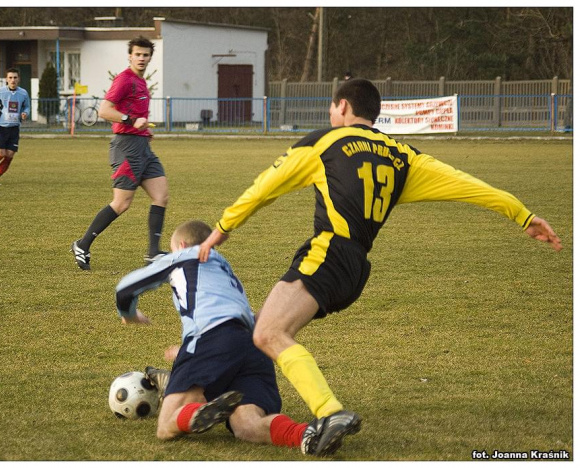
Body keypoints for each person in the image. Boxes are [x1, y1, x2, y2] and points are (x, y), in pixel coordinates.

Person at [196, 78, 563, 446]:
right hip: (355, 269)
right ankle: (217, 379)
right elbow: (465, 183)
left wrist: (222, 228)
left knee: (269, 332)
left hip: (329, 253)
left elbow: (264, 187)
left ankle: (328, 412)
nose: (329, 113)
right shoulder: (403, 154)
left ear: (342, 107)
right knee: (266, 327)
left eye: (331, 107)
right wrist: (522, 215)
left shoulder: (325, 142)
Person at [115, 220, 350, 456]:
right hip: (252, 345)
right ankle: (308, 434)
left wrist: (130, 315)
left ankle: (197, 408)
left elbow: (125, 290)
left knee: (166, 426)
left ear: (182, 245)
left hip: (212, 338)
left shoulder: (183, 256)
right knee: (247, 425)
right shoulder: (224, 267)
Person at [70, 36, 169, 270]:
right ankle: (82, 245)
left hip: (142, 146)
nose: (142, 58)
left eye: (146, 55)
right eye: (138, 54)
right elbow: (105, 110)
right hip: (126, 148)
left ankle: (153, 254)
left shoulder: (142, 82)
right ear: (130, 56)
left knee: (161, 196)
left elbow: (134, 117)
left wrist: (144, 130)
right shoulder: (124, 80)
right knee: (121, 203)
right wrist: (130, 120)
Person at [0, 67, 31, 186]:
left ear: (19, 79)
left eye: (15, 77)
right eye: (10, 78)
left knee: (10, 154)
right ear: (6, 79)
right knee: (0, 153)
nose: (13, 80)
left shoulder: (23, 93)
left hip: (14, 127)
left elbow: (27, 106)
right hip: (1, 126)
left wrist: (25, 113)